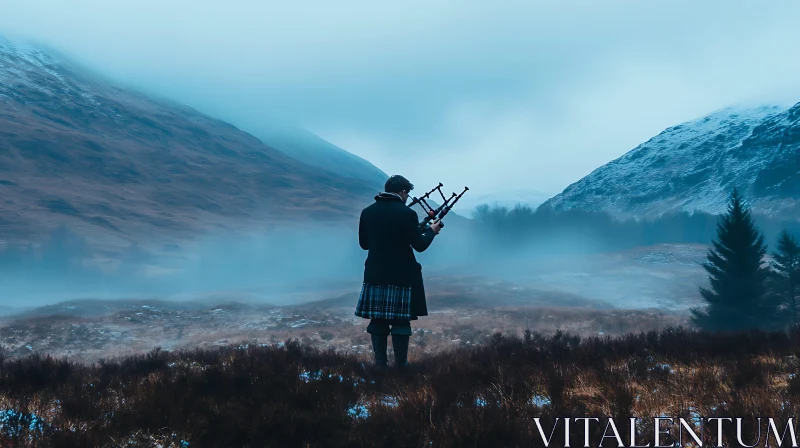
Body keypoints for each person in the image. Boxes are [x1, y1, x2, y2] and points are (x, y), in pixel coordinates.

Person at [355, 175, 442, 370]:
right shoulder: (407, 214)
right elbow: (419, 245)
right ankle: (401, 367)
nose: (407, 198)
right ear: (403, 192)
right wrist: (431, 231)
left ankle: (380, 367)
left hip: (375, 274)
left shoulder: (367, 212)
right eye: (407, 194)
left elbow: (364, 244)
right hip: (402, 275)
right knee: (401, 322)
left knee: (377, 320)